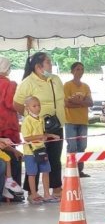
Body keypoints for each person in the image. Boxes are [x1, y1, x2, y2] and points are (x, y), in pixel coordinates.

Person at [13, 52, 66, 197]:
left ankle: (56, 188)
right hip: (37, 128)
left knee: (54, 158)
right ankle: (32, 192)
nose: (51, 65)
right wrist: (32, 117)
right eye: (48, 62)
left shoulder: (55, 79)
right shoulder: (27, 82)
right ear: (38, 66)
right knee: (36, 158)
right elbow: (17, 104)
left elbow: (62, 99)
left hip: (57, 125)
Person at [20, 96, 59, 203]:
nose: (38, 108)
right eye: (34, 106)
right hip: (30, 152)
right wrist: (40, 137)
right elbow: (26, 138)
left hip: (41, 149)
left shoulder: (41, 119)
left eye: (39, 105)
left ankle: (47, 194)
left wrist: (51, 135)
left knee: (46, 171)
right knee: (32, 173)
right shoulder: (27, 121)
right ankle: (33, 194)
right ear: (27, 108)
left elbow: (42, 133)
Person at [63, 62, 93, 178]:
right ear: (72, 71)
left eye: (82, 69)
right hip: (70, 120)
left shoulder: (86, 86)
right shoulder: (67, 85)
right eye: (77, 69)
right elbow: (67, 104)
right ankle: (71, 169)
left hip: (83, 121)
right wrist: (82, 103)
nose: (80, 71)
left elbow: (90, 102)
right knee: (72, 146)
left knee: (82, 146)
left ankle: (79, 170)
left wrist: (77, 102)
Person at [0, 56, 22, 189]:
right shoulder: (10, 84)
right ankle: (14, 190)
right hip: (7, 126)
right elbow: (10, 103)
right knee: (14, 157)